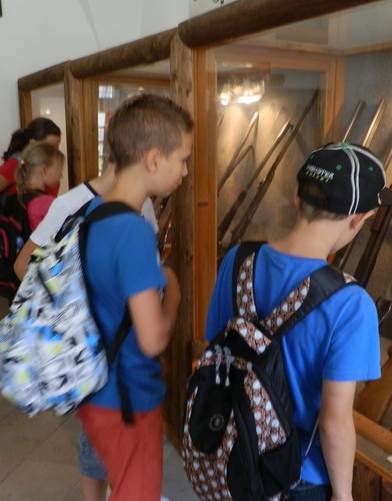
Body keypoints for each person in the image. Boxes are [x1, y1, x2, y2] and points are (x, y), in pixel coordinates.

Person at [205, 143, 392, 500]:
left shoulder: (238, 259)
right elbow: (334, 421)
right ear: (358, 220)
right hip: (297, 477)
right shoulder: (352, 304)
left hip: (232, 453)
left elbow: (215, 346)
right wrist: (343, 495)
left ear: (296, 196)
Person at [14, 159, 159, 501]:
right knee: (98, 442)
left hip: (132, 347)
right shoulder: (70, 204)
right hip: (95, 349)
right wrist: (74, 311)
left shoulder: (143, 203)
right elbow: (24, 265)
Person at [76, 93, 192, 501]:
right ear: (154, 159)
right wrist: (173, 292)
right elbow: (152, 339)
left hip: (96, 390)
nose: (185, 171)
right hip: (128, 398)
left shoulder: (94, 213)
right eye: (182, 159)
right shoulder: (133, 231)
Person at [0, 117, 61, 196]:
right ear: (32, 143)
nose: (56, 150)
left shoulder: (53, 169)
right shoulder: (15, 165)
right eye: (50, 146)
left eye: (57, 145)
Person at [16, 142, 64, 231]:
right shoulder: (46, 203)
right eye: (59, 170)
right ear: (44, 170)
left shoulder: (20, 194)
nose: (61, 176)